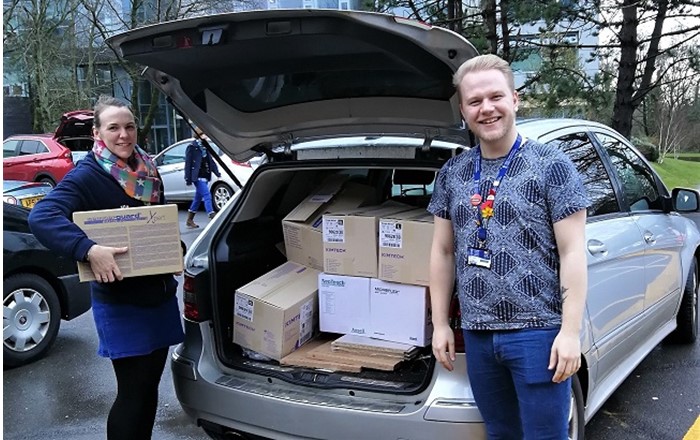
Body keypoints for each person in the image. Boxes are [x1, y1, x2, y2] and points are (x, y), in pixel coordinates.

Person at [427, 54, 590, 439]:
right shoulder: (452, 173)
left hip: (538, 335)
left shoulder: (552, 165)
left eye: (495, 97)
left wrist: (570, 332)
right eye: (474, 101)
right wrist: (439, 325)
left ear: (515, 99)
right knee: (500, 434)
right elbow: (442, 252)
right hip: (479, 335)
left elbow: (573, 252)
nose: (486, 109)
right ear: (464, 111)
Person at [28, 95, 185, 440]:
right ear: (98, 133)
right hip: (122, 302)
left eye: (129, 127)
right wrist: (87, 249)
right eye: (113, 127)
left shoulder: (146, 170)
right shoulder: (86, 176)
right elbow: (42, 216)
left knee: (148, 390)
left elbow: (157, 223)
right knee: (133, 392)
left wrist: (174, 247)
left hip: (158, 297)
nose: (124, 135)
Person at [184, 128, 221, 228]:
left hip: (205, 175)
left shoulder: (206, 146)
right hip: (197, 177)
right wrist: (188, 178)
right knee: (206, 194)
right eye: (203, 134)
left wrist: (217, 173)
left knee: (198, 198)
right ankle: (211, 214)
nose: (205, 136)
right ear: (198, 135)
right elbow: (188, 164)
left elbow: (211, 161)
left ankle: (189, 220)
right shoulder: (192, 147)